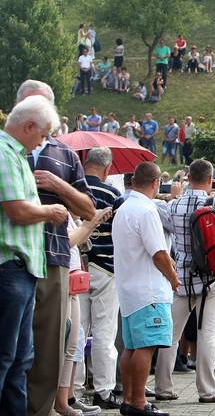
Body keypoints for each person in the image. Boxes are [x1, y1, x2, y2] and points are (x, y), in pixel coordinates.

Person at [16, 81, 97, 416]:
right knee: (12, 343)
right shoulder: (8, 149)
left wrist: (57, 184)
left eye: (44, 105)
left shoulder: (63, 153)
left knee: (50, 343)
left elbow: (88, 210)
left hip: (53, 256)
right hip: (12, 256)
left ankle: (42, 409)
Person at [154, 160, 215, 404]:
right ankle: (206, 390)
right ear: (209, 180)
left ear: (188, 177)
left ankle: (163, 386)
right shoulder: (213, 203)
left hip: (181, 278)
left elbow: (164, 221)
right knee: (206, 334)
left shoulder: (173, 206)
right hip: (209, 278)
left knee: (171, 335)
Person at [0, 97, 68, 416]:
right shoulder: (5, 153)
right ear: (28, 127)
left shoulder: (15, 155)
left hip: (22, 270)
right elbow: (16, 209)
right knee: (6, 356)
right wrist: (49, 211)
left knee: (19, 358)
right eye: (41, 136)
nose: (40, 144)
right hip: (10, 269)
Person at [112, 162, 179, 416]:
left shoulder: (125, 208)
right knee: (146, 346)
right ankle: (138, 402)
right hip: (148, 290)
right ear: (155, 183)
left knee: (131, 347)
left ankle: (130, 399)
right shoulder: (146, 210)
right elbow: (159, 253)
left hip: (129, 289)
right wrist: (173, 278)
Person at [79, 147, 123, 410]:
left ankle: (73, 388)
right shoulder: (112, 194)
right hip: (106, 268)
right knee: (105, 333)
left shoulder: (73, 189)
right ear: (107, 169)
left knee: (78, 332)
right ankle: (103, 390)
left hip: (80, 266)